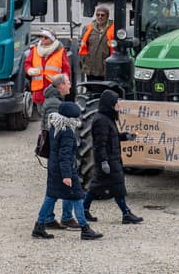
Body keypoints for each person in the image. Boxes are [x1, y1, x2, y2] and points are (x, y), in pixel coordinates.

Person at [32, 102, 102, 241]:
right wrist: (67, 176)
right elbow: (64, 156)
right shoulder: (68, 132)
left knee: (51, 197)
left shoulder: (55, 126)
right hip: (65, 171)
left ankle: (39, 226)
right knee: (77, 197)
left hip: (54, 168)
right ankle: (85, 228)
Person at [83, 90, 143, 224]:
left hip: (112, 158)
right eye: (116, 103)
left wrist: (125, 136)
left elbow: (112, 136)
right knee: (116, 186)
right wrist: (104, 161)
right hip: (108, 159)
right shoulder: (101, 121)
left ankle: (84, 209)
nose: (118, 106)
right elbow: (100, 144)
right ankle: (126, 213)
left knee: (98, 186)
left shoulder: (107, 118)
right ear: (110, 104)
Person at [39, 74, 79, 230]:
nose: (70, 85)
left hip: (56, 152)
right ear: (61, 85)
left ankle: (49, 218)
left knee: (55, 188)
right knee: (63, 185)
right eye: (68, 82)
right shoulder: (55, 104)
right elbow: (57, 130)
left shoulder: (53, 100)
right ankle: (64, 217)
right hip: (59, 153)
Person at [25, 30, 72, 111]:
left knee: (54, 113)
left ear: (52, 39)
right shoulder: (34, 50)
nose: (43, 39)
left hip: (54, 90)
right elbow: (27, 64)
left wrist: (63, 84)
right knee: (42, 114)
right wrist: (29, 70)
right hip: (39, 90)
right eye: (41, 37)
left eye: (46, 37)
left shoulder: (60, 52)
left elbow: (66, 70)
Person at [79, 7, 115, 80]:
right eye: (98, 15)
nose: (100, 17)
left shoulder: (114, 29)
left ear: (107, 16)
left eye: (102, 15)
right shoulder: (87, 28)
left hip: (106, 68)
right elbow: (82, 44)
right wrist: (84, 60)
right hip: (90, 68)